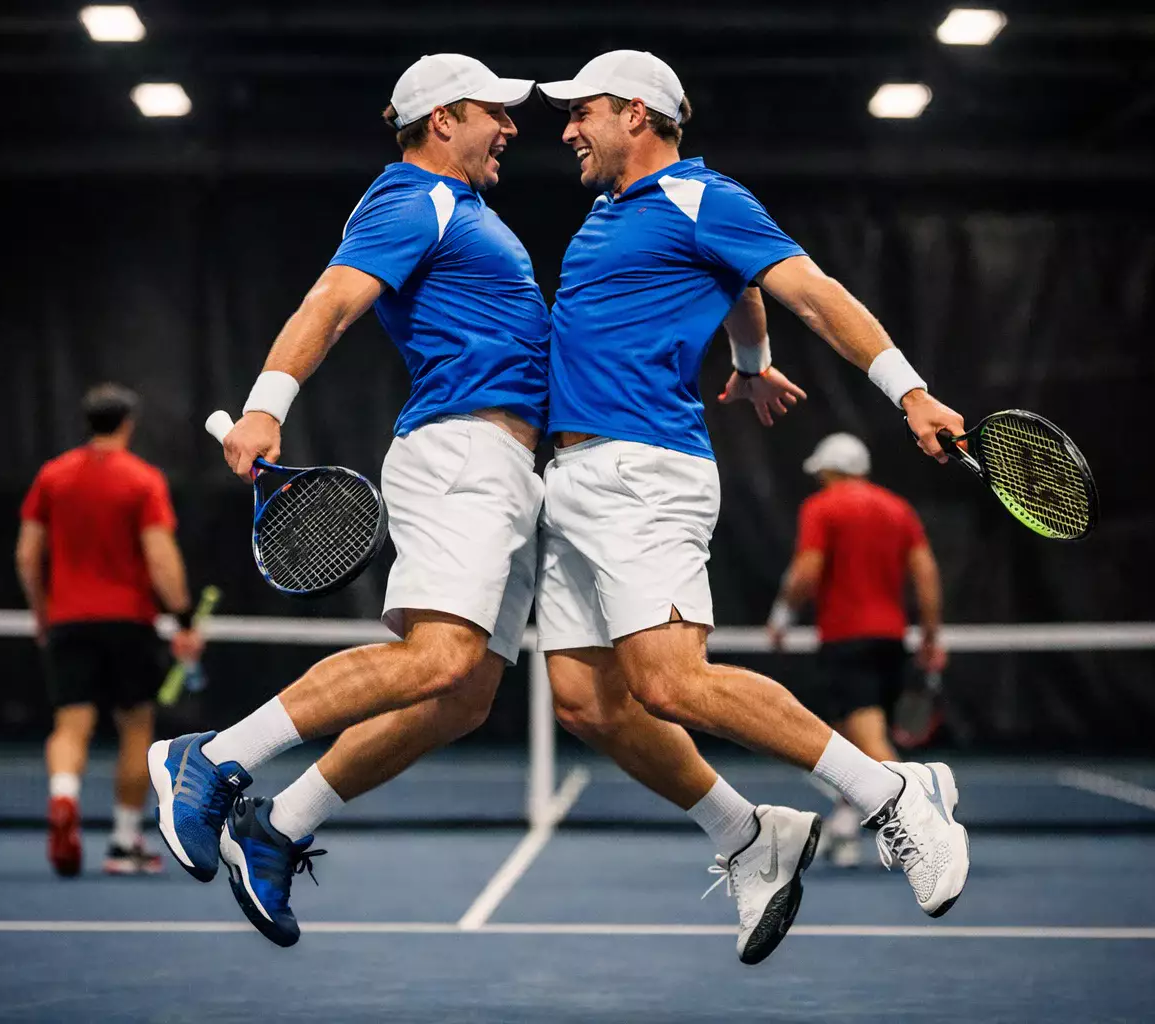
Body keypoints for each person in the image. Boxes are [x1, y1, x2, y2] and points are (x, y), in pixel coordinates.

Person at [150, 56, 813, 962]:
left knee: (461, 697)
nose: (512, 127)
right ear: (443, 118)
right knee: (439, 655)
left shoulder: (467, 213)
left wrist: (745, 359)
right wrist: (269, 401)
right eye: (495, 113)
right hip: (460, 451)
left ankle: (277, 826)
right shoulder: (411, 198)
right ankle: (216, 756)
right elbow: (332, 299)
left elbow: (731, 279)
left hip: (512, 467)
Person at [534, 50, 970, 917]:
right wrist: (752, 363)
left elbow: (810, 289)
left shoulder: (706, 197)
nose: (566, 129)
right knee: (585, 702)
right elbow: (740, 291)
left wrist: (910, 392)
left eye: (580, 112)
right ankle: (746, 833)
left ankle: (891, 792)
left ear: (635, 114)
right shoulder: (613, 211)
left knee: (669, 682)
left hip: (644, 470)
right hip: (572, 476)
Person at [16, 383, 204, 877]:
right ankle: (123, 843)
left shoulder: (51, 477)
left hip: (68, 623)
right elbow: (161, 558)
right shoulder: (142, 480)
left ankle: (64, 797)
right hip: (129, 625)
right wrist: (183, 621)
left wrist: (43, 613)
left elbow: (26, 556)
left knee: (70, 726)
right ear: (128, 424)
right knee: (136, 727)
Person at [765, 432, 948, 866]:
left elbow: (807, 571)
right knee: (847, 742)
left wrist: (782, 615)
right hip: (890, 643)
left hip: (847, 642)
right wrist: (930, 637)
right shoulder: (899, 509)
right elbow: (926, 574)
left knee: (868, 745)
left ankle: (929, 828)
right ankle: (846, 823)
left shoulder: (822, 507)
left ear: (831, 471)